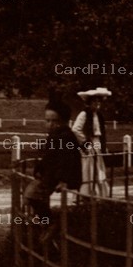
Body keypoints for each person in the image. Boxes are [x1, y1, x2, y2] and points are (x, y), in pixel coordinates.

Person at [24, 98, 84, 239]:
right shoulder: (54, 135)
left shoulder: (66, 136)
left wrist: (63, 180)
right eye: (47, 121)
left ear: (64, 121)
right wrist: (39, 169)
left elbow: (68, 160)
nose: (50, 124)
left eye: (55, 121)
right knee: (30, 196)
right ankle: (44, 224)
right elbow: (48, 156)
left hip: (60, 175)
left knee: (32, 195)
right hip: (51, 173)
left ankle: (50, 224)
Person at [73, 88, 113, 197]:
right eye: (94, 101)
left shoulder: (99, 115)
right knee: (88, 169)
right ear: (89, 102)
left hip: (97, 143)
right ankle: (86, 194)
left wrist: (103, 146)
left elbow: (101, 132)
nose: (97, 103)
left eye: (98, 101)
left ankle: (99, 194)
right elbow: (76, 129)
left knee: (98, 169)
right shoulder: (84, 114)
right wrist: (85, 143)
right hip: (89, 144)